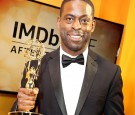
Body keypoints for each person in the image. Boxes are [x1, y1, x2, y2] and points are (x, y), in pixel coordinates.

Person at [10, 0, 124, 115]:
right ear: (59, 22)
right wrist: (21, 107)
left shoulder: (110, 73)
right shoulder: (35, 67)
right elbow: (23, 109)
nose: (76, 26)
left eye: (84, 20)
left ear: (92, 25)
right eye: (69, 19)